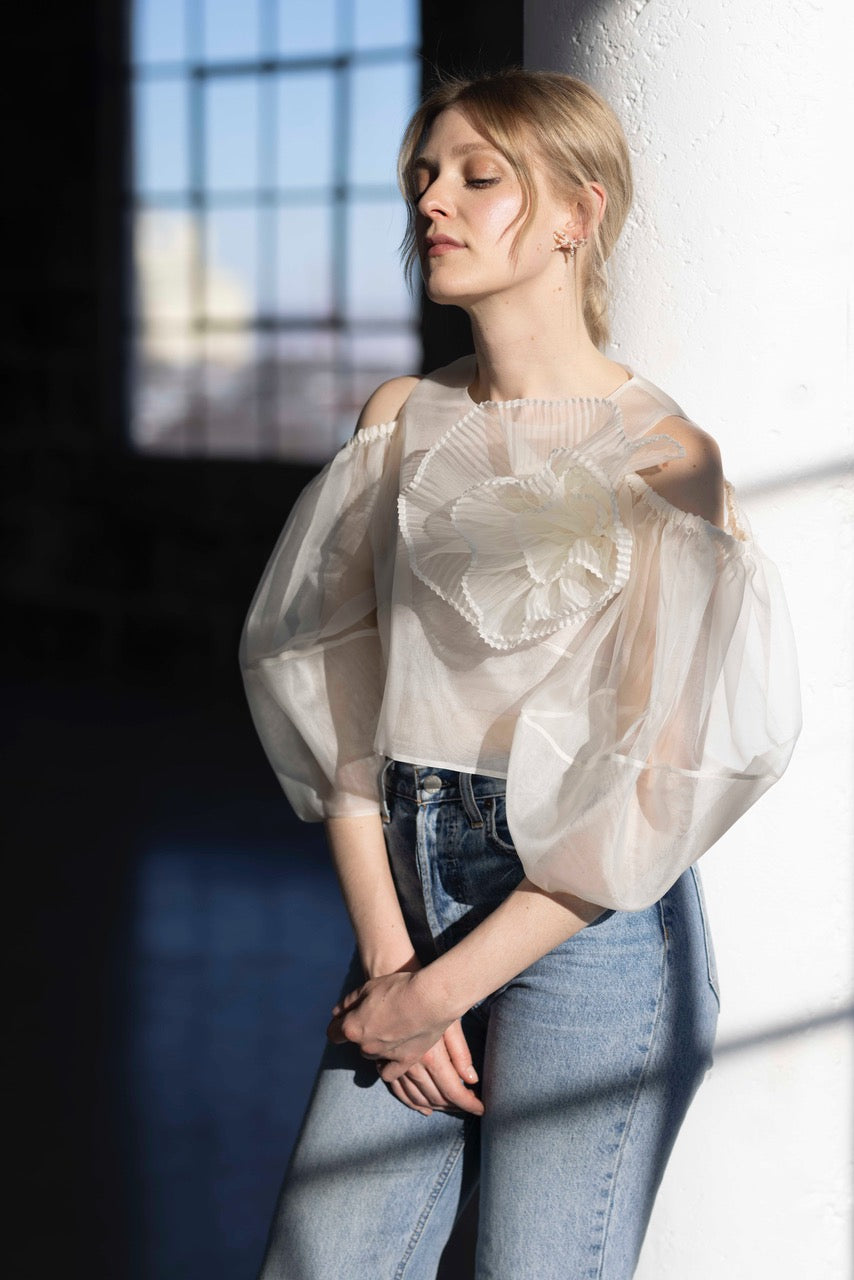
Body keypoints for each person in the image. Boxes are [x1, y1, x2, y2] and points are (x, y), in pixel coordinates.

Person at [240, 69, 801, 1279]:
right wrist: (396, 971)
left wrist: (440, 985)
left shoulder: (666, 457)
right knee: (319, 1258)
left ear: (572, 214)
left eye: (477, 176)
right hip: (406, 883)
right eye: (426, 174)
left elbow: (654, 780)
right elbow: (331, 700)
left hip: (590, 920)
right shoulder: (397, 420)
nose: (432, 200)